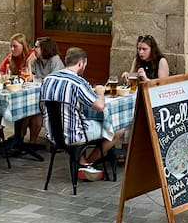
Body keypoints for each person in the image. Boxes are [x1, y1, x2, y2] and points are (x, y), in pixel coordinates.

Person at [41, 47, 125, 181]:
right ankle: (87, 164)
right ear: (80, 63)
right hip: (74, 136)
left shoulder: (47, 80)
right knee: (118, 129)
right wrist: (100, 92)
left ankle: (82, 161)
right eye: (85, 64)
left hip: (52, 135)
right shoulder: (78, 83)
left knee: (80, 120)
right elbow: (99, 106)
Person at [19, 37, 64, 144]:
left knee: (33, 111)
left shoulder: (55, 60)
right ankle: (21, 138)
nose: (34, 49)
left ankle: (28, 140)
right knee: (27, 109)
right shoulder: (36, 60)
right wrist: (29, 63)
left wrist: (36, 79)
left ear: (45, 48)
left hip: (52, 98)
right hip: (38, 96)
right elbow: (28, 78)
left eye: (36, 47)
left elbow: (52, 81)